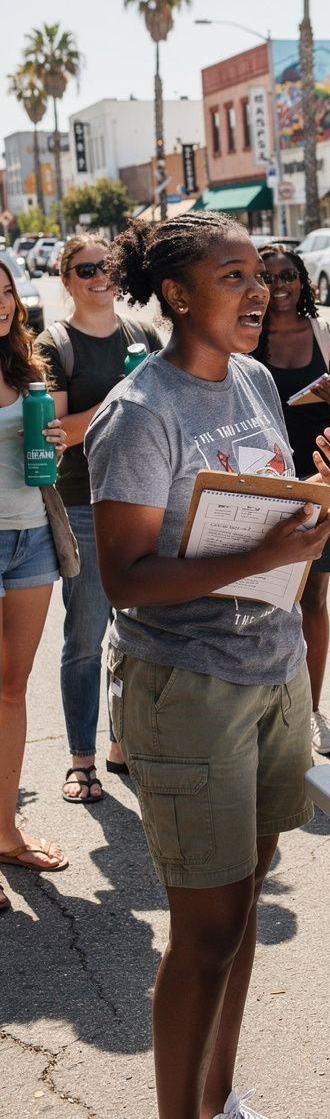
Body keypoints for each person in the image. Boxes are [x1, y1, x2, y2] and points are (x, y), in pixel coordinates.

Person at [84, 213, 330, 1119]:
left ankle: (218, 1100)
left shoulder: (253, 381)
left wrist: (324, 491)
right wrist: (259, 558)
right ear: (176, 294)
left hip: (273, 669)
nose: (260, 292)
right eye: (234, 276)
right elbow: (125, 579)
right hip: (187, 691)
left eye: (262, 275)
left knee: (241, 913)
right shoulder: (139, 413)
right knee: (203, 935)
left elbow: (269, 521)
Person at [37, 234, 163, 804]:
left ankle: (124, 744)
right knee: (86, 638)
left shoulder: (144, 335)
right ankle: (81, 759)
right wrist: (125, 393)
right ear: (66, 279)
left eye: (107, 266)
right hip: (85, 505)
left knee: (140, 634)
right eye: (86, 268)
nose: (99, 277)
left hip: (145, 502)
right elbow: (58, 433)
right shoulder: (54, 344)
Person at [256, 245, 330, 756]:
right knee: (265, 599)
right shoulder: (245, 337)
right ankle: (268, 711)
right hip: (265, 483)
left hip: (323, 481)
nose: (280, 286)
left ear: (303, 281)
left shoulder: (328, 337)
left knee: (313, 599)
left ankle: (313, 711)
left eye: (288, 276)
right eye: (268, 277)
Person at [0, 254, 69, 914]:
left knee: (13, 690)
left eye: (5, 291)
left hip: (31, 540)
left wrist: (53, 436)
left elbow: (46, 447)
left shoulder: (26, 368)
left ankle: (6, 832)